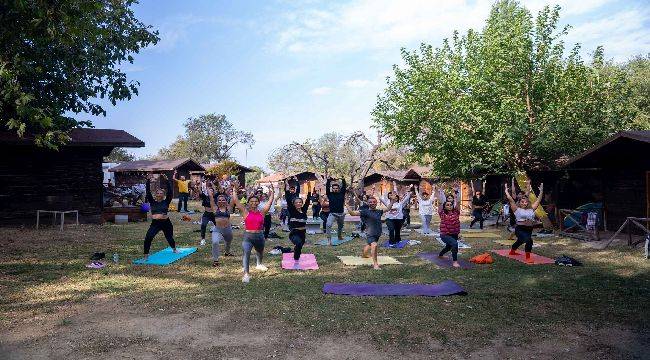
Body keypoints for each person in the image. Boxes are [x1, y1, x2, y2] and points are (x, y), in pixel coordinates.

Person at [232, 182, 276, 283]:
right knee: (246, 253)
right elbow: (236, 201)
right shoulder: (245, 212)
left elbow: (269, 202)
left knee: (260, 252)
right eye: (251, 201)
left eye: (256, 201)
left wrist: (272, 192)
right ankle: (246, 274)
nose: (254, 203)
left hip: (260, 236)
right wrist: (234, 190)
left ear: (258, 202)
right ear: (248, 203)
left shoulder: (262, 212)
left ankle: (259, 264)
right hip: (248, 236)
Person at [346, 196, 394, 270]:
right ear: (367, 203)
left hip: (377, 233)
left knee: (369, 245)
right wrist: (346, 204)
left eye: (374, 202)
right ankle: (375, 264)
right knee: (374, 245)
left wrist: (392, 200)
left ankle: (364, 255)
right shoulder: (365, 212)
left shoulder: (379, 211)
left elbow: (388, 208)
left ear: (376, 203)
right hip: (370, 233)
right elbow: (352, 213)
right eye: (370, 202)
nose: (372, 203)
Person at [505, 182, 544, 263]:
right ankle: (528, 257)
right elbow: (511, 199)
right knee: (529, 240)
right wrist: (506, 191)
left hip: (529, 229)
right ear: (519, 202)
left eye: (526, 202)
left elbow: (539, 200)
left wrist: (541, 190)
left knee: (520, 241)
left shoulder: (531, 209)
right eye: (522, 202)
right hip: (520, 229)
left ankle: (512, 251)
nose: (524, 203)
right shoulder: (516, 209)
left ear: (528, 202)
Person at [143, 174, 178, 261]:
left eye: (161, 193)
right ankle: (146, 255)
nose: (159, 194)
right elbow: (148, 192)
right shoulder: (152, 201)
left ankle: (174, 249)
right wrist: (148, 181)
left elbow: (170, 192)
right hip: (155, 224)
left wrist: (166, 180)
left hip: (166, 223)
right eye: (157, 193)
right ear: (156, 194)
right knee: (148, 237)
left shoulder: (166, 201)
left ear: (163, 194)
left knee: (169, 237)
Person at [285, 179, 312, 265]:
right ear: (294, 204)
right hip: (294, 233)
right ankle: (296, 260)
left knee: (300, 246)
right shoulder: (292, 210)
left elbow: (308, 199)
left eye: (300, 202)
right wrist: (286, 186)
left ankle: (296, 257)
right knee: (298, 243)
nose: (298, 204)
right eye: (296, 202)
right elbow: (288, 198)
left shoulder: (304, 210)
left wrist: (309, 187)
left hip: (302, 233)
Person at [206, 188, 234, 266]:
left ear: (226, 200)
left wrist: (235, 189)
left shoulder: (229, 208)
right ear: (217, 201)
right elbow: (211, 198)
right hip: (217, 229)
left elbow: (233, 199)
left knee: (228, 242)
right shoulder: (215, 208)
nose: (221, 201)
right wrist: (209, 193)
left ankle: (227, 252)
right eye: (220, 200)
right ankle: (216, 260)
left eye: (223, 200)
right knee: (215, 242)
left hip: (228, 229)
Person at [380, 181, 412, 246]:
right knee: (391, 229)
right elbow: (382, 198)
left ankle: (398, 239)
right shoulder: (388, 203)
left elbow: (407, 198)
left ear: (397, 198)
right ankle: (391, 242)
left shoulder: (401, 204)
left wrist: (408, 190)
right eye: (393, 196)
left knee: (397, 230)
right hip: (389, 219)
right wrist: (385, 187)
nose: (394, 198)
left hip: (399, 219)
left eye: (396, 197)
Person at [437, 185, 461, 268]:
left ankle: (440, 255)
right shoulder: (442, 214)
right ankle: (455, 262)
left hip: (454, 234)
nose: (449, 206)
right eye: (447, 205)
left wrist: (457, 192)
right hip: (445, 234)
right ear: (444, 206)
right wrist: (440, 191)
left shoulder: (456, 212)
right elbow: (440, 202)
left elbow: (458, 202)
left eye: (451, 205)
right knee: (455, 244)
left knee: (448, 247)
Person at [323, 176, 347, 245]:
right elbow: (327, 187)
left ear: (339, 189)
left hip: (341, 214)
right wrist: (328, 179)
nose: (335, 189)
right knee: (328, 225)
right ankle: (329, 240)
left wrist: (343, 178)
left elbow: (344, 186)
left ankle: (339, 236)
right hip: (333, 214)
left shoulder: (342, 193)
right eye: (334, 188)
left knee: (340, 226)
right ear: (332, 189)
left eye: (337, 188)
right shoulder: (330, 194)